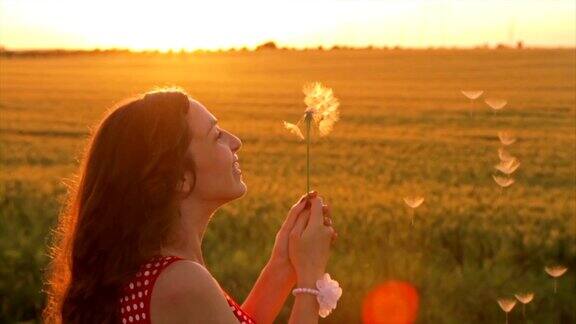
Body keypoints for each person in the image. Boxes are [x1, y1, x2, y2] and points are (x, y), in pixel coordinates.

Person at [42, 87, 338, 324]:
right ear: (180, 179)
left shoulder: (162, 275)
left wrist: (282, 264)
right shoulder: (180, 283)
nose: (235, 142)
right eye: (216, 135)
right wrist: (309, 277)